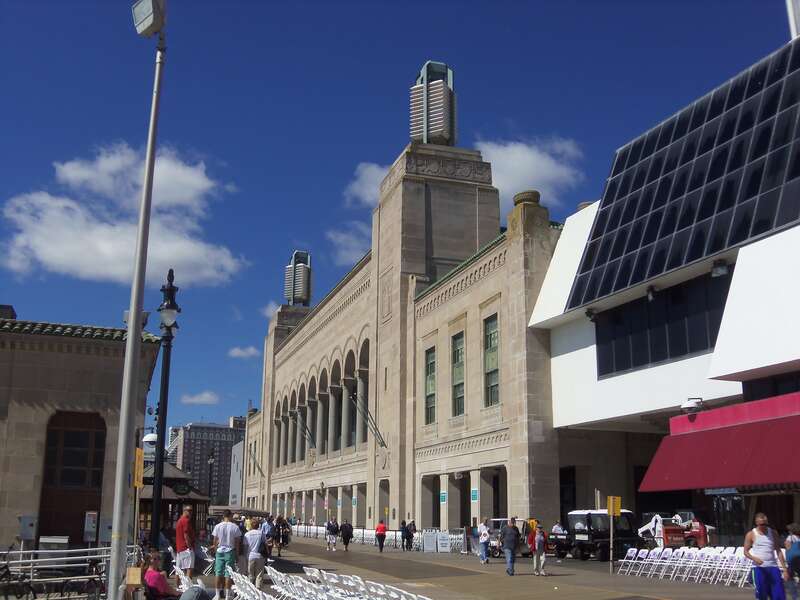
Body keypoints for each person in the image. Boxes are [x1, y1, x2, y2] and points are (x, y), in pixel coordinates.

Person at [744, 513, 788, 600]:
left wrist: (785, 569)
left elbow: (778, 550)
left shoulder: (773, 533)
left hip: (773, 567)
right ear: (756, 523)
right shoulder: (751, 534)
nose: (763, 526)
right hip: (758, 568)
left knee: (778, 594)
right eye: (761, 524)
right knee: (761, 594)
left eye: (765, 524)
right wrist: (754, 558)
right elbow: (745, 551)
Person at [211, 509, 242, 600]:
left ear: (223, 516)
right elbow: (237, 543)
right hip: (230, 551)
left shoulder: (217, 526)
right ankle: (227, 595)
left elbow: (215, 540)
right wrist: (237, 555)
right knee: (228, 573)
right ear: (231, 516)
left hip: (220, 551)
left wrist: (216, 550)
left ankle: (217, 594)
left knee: (218, 572)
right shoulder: (235, 527)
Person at [174, 505, 196, 580]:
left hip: (180, 549)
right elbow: (186, 535)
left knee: (179, 570)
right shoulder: (186, 521)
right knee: (189, 568)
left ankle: (177, 587)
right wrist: (189, 547)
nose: (191, 512)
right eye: (189, 510)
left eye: (191, 510)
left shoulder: (179, 520)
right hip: (186, 548)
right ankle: (188, 587)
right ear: (184, 511)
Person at [243, 520, 264, 586]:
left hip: (250, 556)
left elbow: (245, 546)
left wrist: (245, 555)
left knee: (250, 574)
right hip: (260, 555)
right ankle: (258, 589)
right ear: (258, 526)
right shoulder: (261, 533)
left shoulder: (247, 534)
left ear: (251, 525)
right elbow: (265, 544)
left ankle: (250, 588)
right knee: (259, 574)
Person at [786, 522, 800, 600]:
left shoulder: (790, 538)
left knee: (789, 578)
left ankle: (795, 596)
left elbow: (788, 548)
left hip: (793, 561)